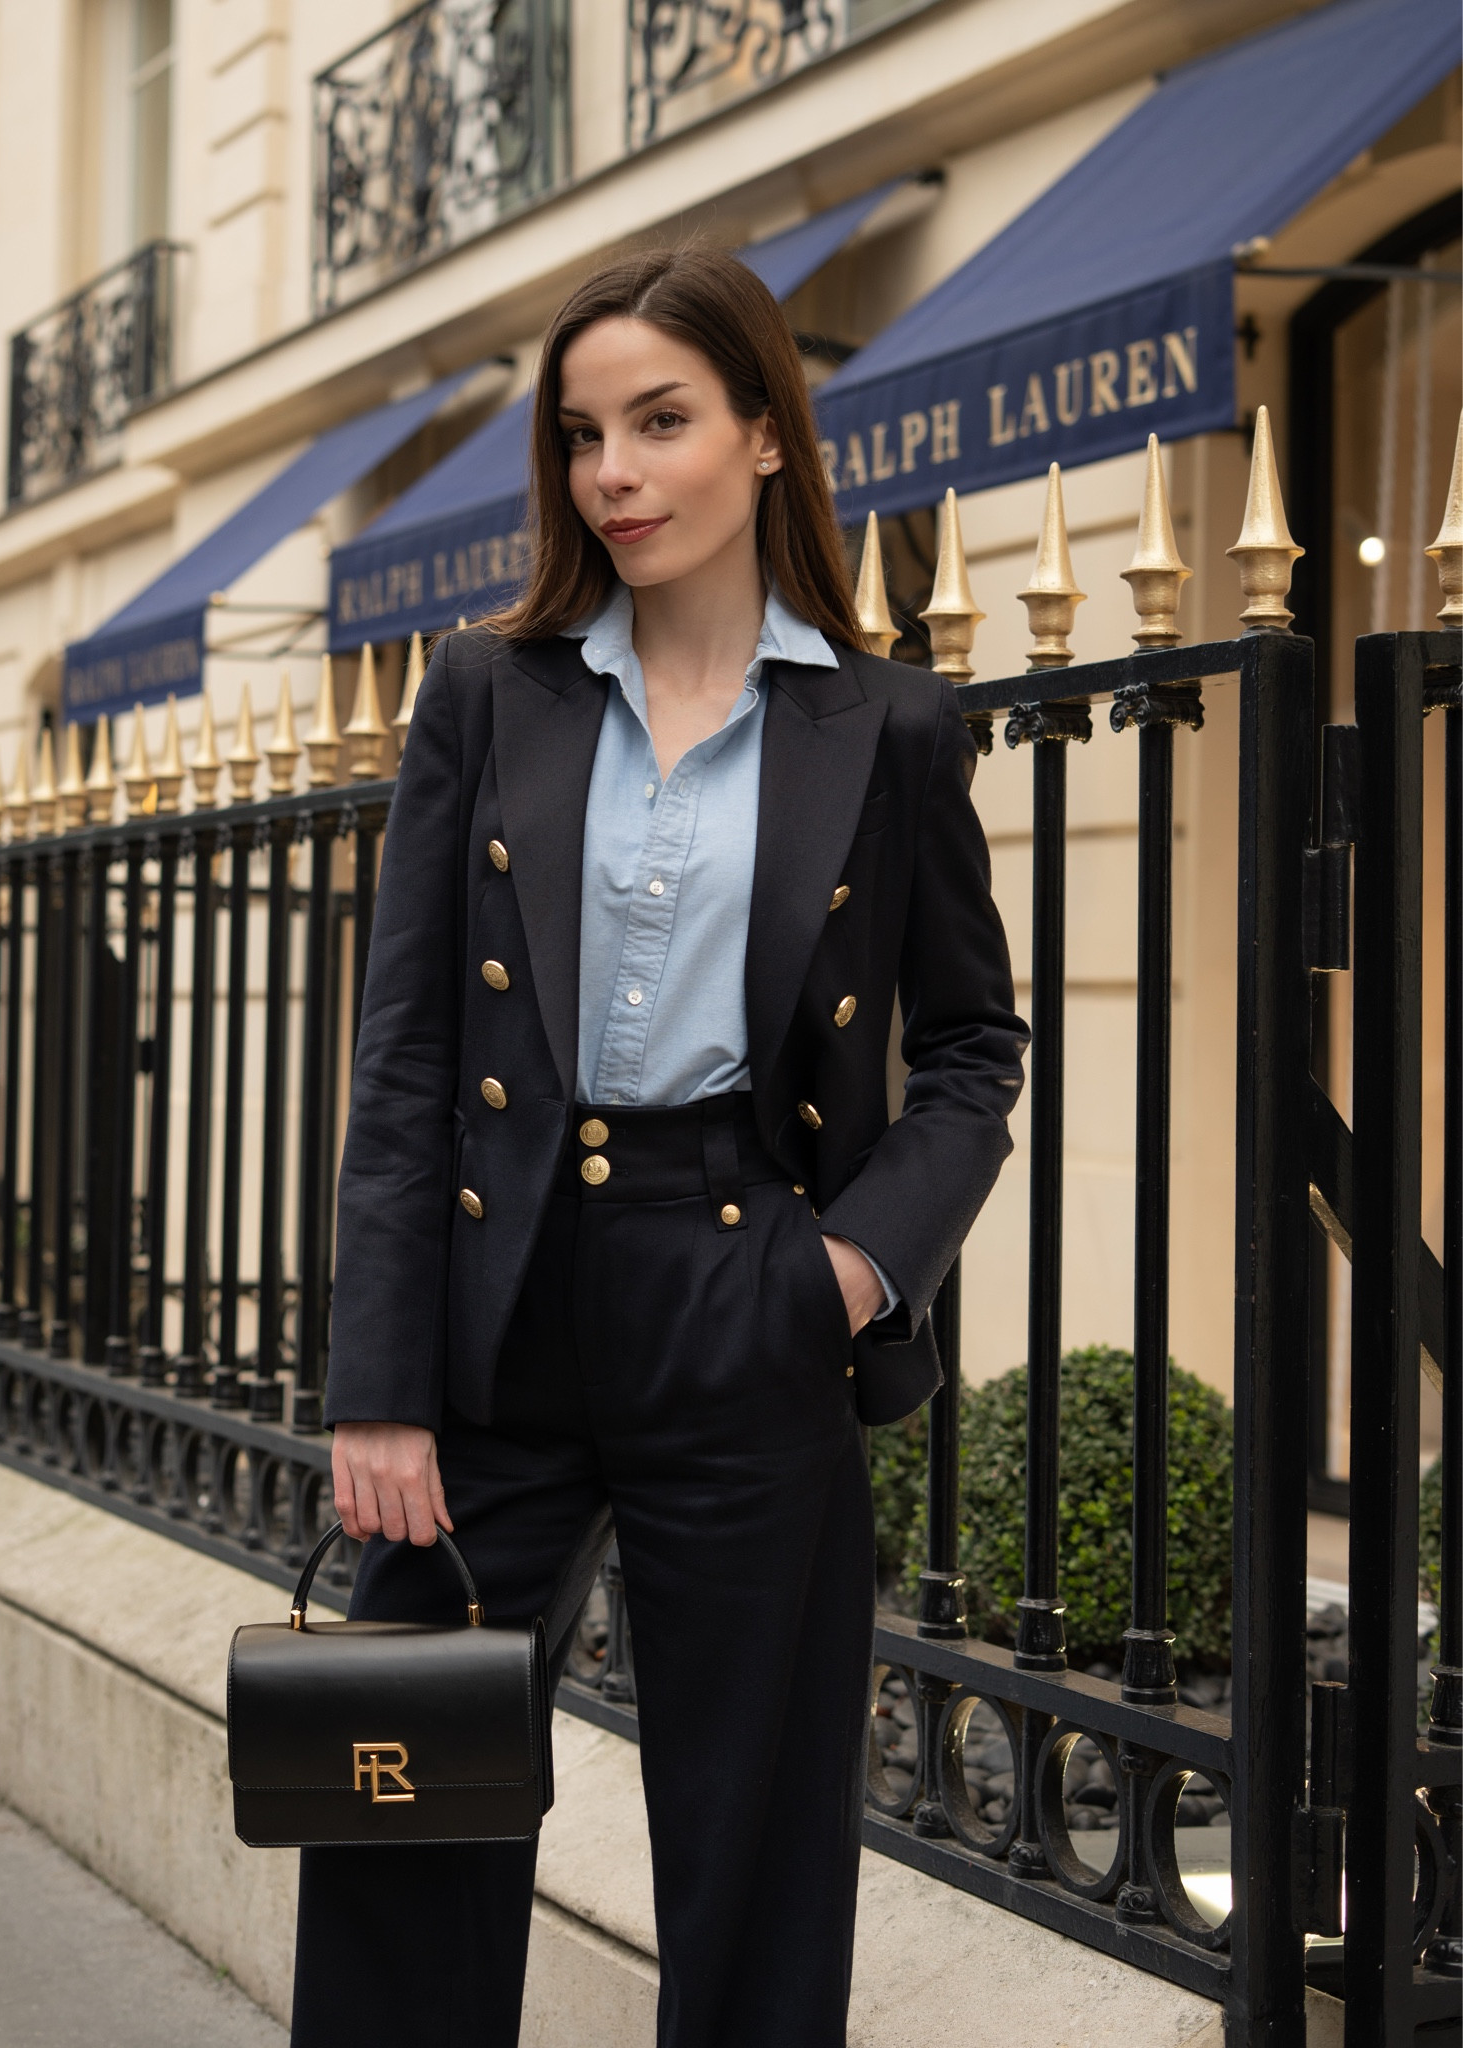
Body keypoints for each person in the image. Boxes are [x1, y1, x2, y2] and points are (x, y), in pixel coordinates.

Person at [290, 246, 1028, 2048]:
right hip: (495, 1308)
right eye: (581, 436)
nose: (611, 472)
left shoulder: (887, 726)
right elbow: (406, 1055)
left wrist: (849, 1268)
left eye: (660, 422)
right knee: (405, 1808)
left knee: (755, 1844)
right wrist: (377, 1382)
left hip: (743, 1294)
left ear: (766, 437)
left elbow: (973, 1051)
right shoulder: (489, 691)